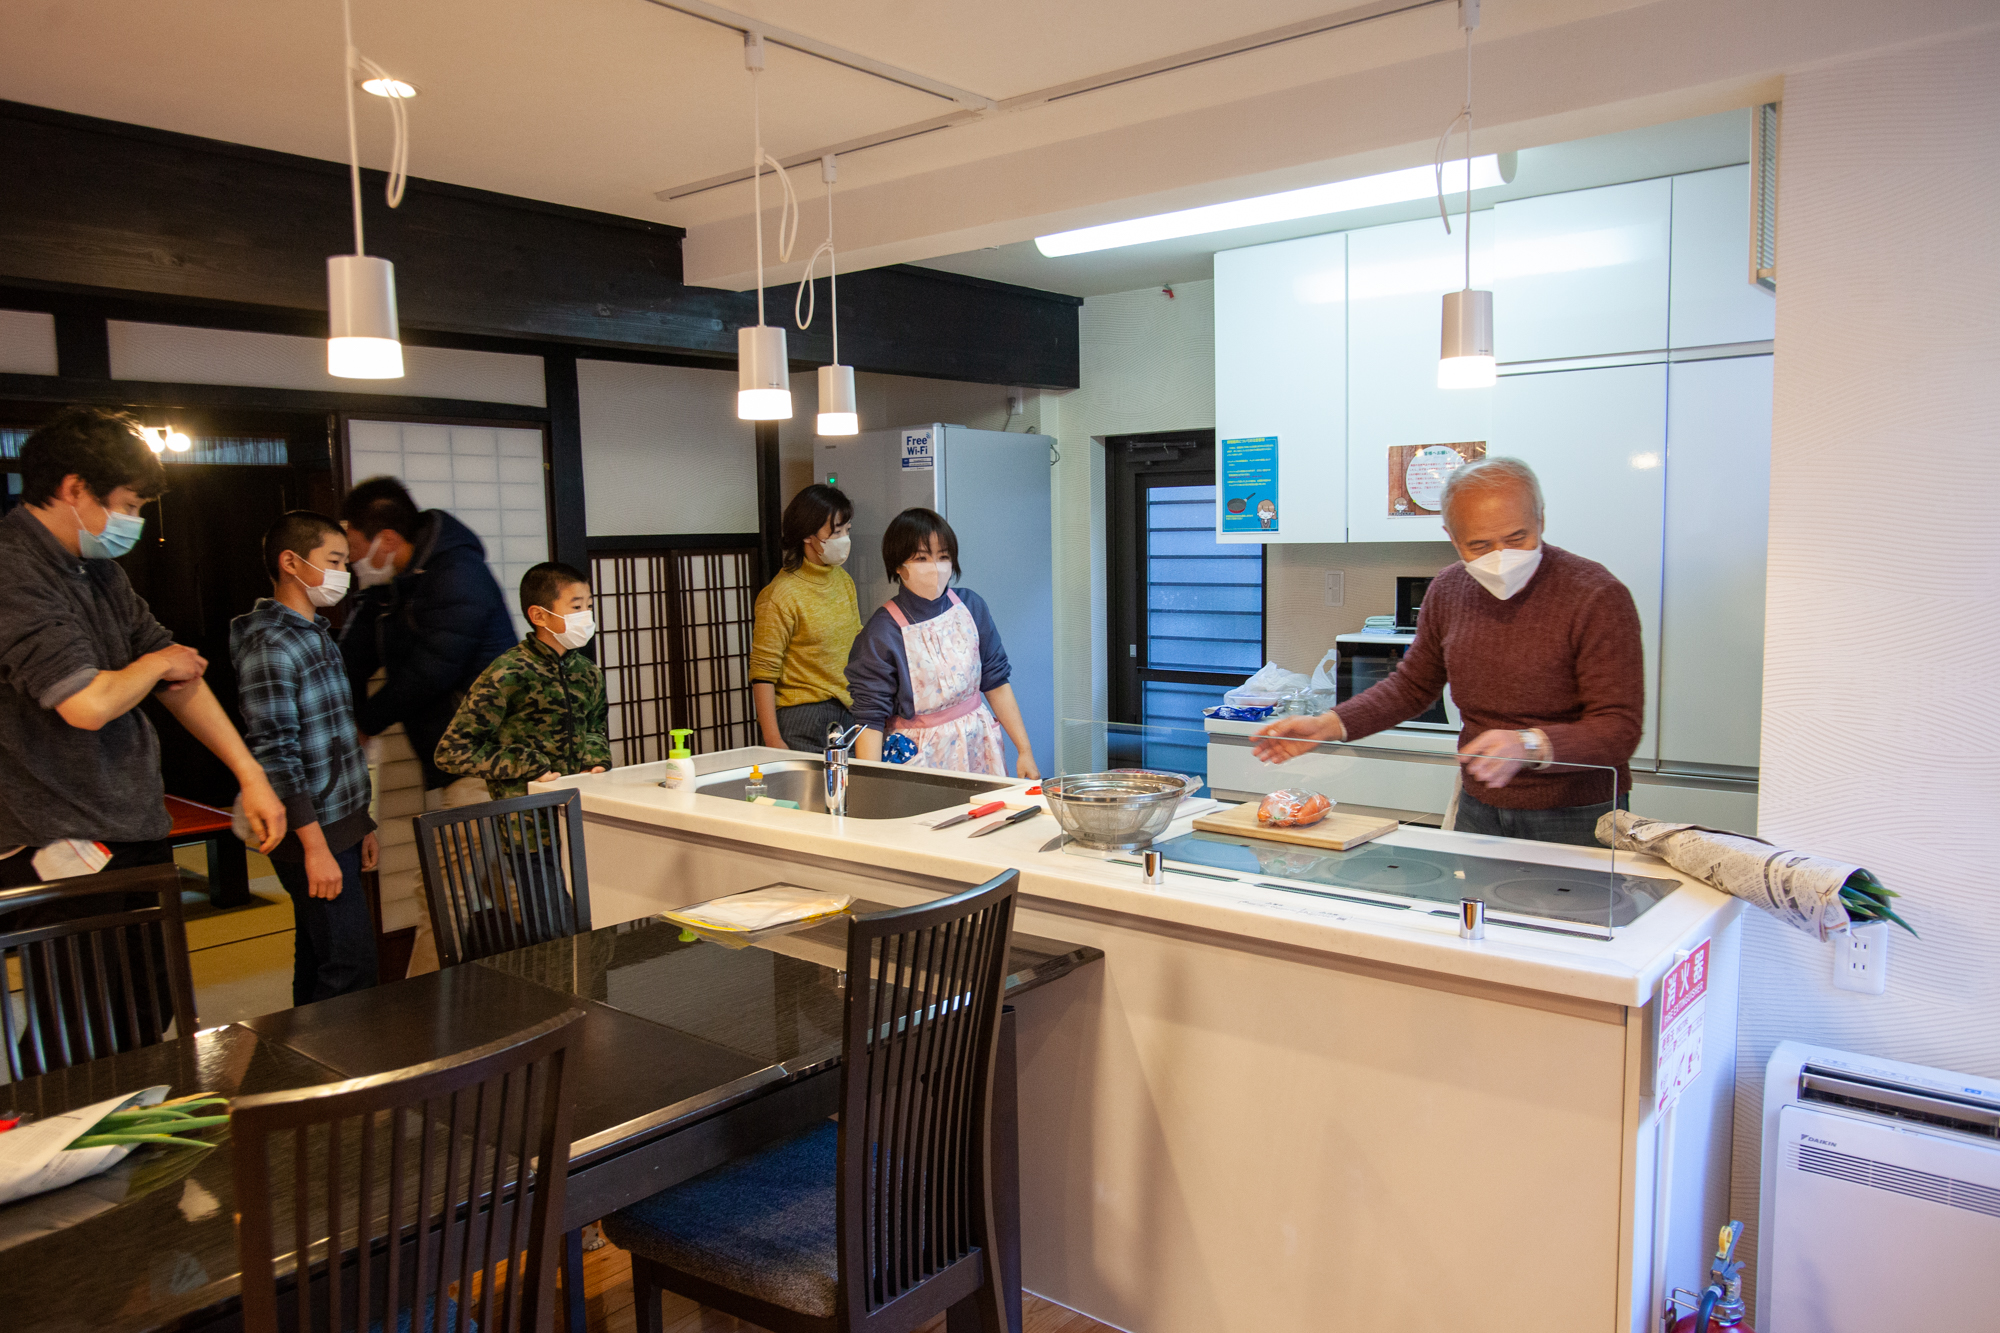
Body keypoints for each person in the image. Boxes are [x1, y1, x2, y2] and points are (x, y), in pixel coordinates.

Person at [0, 407, 285, 1069]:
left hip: (130, 822)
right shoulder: (15, 571)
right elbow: (87, 703)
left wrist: (251, 774)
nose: (133, 521)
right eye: (127, 505)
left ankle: (130, 1125)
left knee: (145, 1010)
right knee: (81, 1026)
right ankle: (57, 1133)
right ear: (75, 489)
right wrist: (154, 664)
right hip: (55, 835)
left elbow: (182, 678)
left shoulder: (96, 568)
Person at [1251, 456, 1642, 847]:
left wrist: (1528, 744)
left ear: (1541, 519)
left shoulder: (1596, 595)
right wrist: (1329, 724)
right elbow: (1412, 686)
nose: (1501, 556)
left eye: (1517, 538)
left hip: (1578, 812)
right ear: (1452, 538)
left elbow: (1618, 727)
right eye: (1479, 545)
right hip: (1480, 805)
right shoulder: (1448, 590)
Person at [338, 476, 516, 973]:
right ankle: (558, 980)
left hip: (483, 759)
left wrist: (366, 722)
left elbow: (432, 670)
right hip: (465, 762)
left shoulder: (457, 574)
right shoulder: (404, 582)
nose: (351, 564)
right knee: (507, 885)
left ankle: (422, 1012)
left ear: (387, 540)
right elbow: (359, 652)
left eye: (353, 551)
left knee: (444, 892)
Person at [230, 511, 380, 1004]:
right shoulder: (270, 643)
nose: (343, 573)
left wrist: (362, 823)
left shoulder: (315, 632)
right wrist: (315, 848)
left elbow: (338, 739)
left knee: (320, 957)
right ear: (291, 562)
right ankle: (339, 1054)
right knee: (351, 965)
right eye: (333, 561)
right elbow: (276, 753)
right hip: (308, 831)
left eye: (345, 562)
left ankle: (302, 1050)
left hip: (339, 824)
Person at [845, 508, 1040, 779]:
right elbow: (870, 718)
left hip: (978, 746)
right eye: (921, 558)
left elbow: (995, 682)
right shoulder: (882, 632)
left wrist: (1024, 750)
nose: (935, 567)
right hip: (920, 759)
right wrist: (873, 785)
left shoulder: (971, 606)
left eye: (943, 556)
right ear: (898, 565)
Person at [435, 561, 611, 799]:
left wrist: (595, 759)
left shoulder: (588, 672)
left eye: (589, 606)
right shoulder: (508, 673)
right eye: (576, 607)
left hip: (579, 803)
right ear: (539, 615)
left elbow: (594, 728)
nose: (586, 616)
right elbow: (453, 751)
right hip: (525, 812)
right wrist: (526, 763)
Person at [750, 484, 863, 752]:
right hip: (801, 718)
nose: (844, 539)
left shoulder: (843, 580)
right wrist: (773, 739)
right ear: (807, 536)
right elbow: (763, 673)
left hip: (847, 711)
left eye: (847, 530)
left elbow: (857, 645)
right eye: (835, 532)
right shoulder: (780, 594)